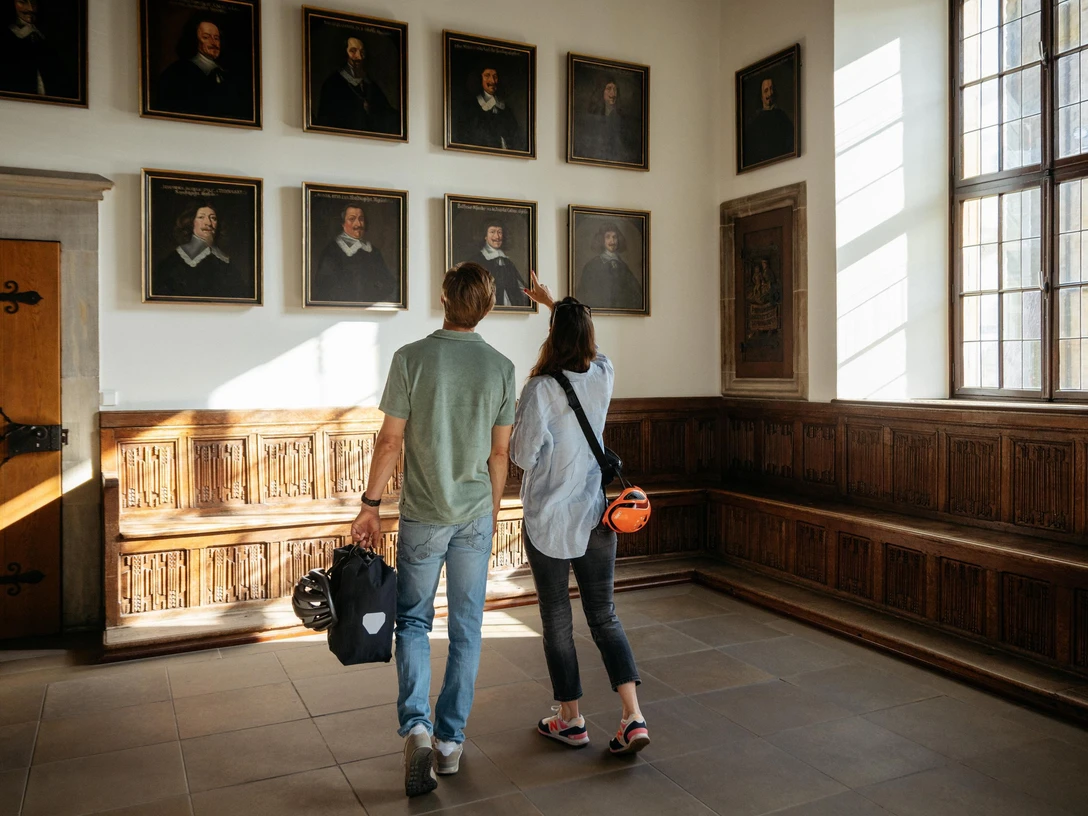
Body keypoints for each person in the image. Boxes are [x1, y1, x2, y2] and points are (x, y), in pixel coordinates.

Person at [350, 262, 515, 797]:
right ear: (486, 306)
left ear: (444, 300)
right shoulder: (501, 368)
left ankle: (417, 727)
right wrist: (490, 514)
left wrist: (370, 504)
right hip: (473, 515)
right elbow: (499, 453)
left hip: (422, 516)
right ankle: (449, 744)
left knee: (415, 622)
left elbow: (390, 442)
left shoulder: (410, 358)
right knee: (467, 627)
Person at [511, 272, 650, 755]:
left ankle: (570, 719)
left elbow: (523, 457)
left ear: (551, 337)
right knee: (604, 616)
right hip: (596, 515)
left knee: (556, 619)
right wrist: (557, 305)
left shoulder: (539, 391)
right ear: (589, 336)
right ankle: (632, 715)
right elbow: (584, 341)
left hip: (549, 518)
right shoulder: (604, 374)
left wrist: (555, 315)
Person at [153, 201, 253, 300]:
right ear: (191, 222)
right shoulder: (173, 261)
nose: (208, 223)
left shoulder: (226, 262)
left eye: (213, 218)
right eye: (201, 217)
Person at [155, 16, 245, 119]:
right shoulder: (178, 72)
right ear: (194, 40)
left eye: (216, 38)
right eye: (206, 37)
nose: (213, 43)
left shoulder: (226, 74)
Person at [311, 203, 398, 304]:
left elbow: (389, 283)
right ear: (343, 224)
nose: (358, 224)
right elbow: (324, 287)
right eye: (352, 219)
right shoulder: (332, 251)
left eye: (361, 219)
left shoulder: (373, 251)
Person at [315, 35, 397, 134]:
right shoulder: (332, 83)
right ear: (344, 53)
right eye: (353, 51)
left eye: (362, 52)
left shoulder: (369, 83)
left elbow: (386, 112)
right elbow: (326, 120)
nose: (359, 56)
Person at [576, 223, 644, 311]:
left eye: (614, 237)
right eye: (608, 237)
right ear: (601, 240)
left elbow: (636, 293)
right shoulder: (592, 266)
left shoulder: (623, 266)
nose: (612, 241)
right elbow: (585, 295)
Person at [457, 64, 525, 151]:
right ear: (479, 78)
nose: (492, 81)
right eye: (487, 76)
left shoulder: (506, 109)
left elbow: (515, 138)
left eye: (495, 76)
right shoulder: (469, 107)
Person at [575, 75, 638, 164]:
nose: (613, 93)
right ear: (601, 91)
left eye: (615, 89)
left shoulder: (622, 117)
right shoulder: (592, 115)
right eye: (609, 89)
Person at [0, 0, 54, 97]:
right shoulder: (5, 39)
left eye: (34, 2)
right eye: (22, 1)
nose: (31, 8)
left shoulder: (43, 38)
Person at [475, 220, 530, 308]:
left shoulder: (507, 262)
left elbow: (520, 286)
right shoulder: (477, 260)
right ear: (485, 236)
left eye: (499, 232)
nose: (497, 236)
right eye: (492, 232)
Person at [744, 77, 794, 166]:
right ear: (761, 96)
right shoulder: (754, 122)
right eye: (766, 90)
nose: (770, 93)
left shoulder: (782, 116)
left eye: (771, 89)